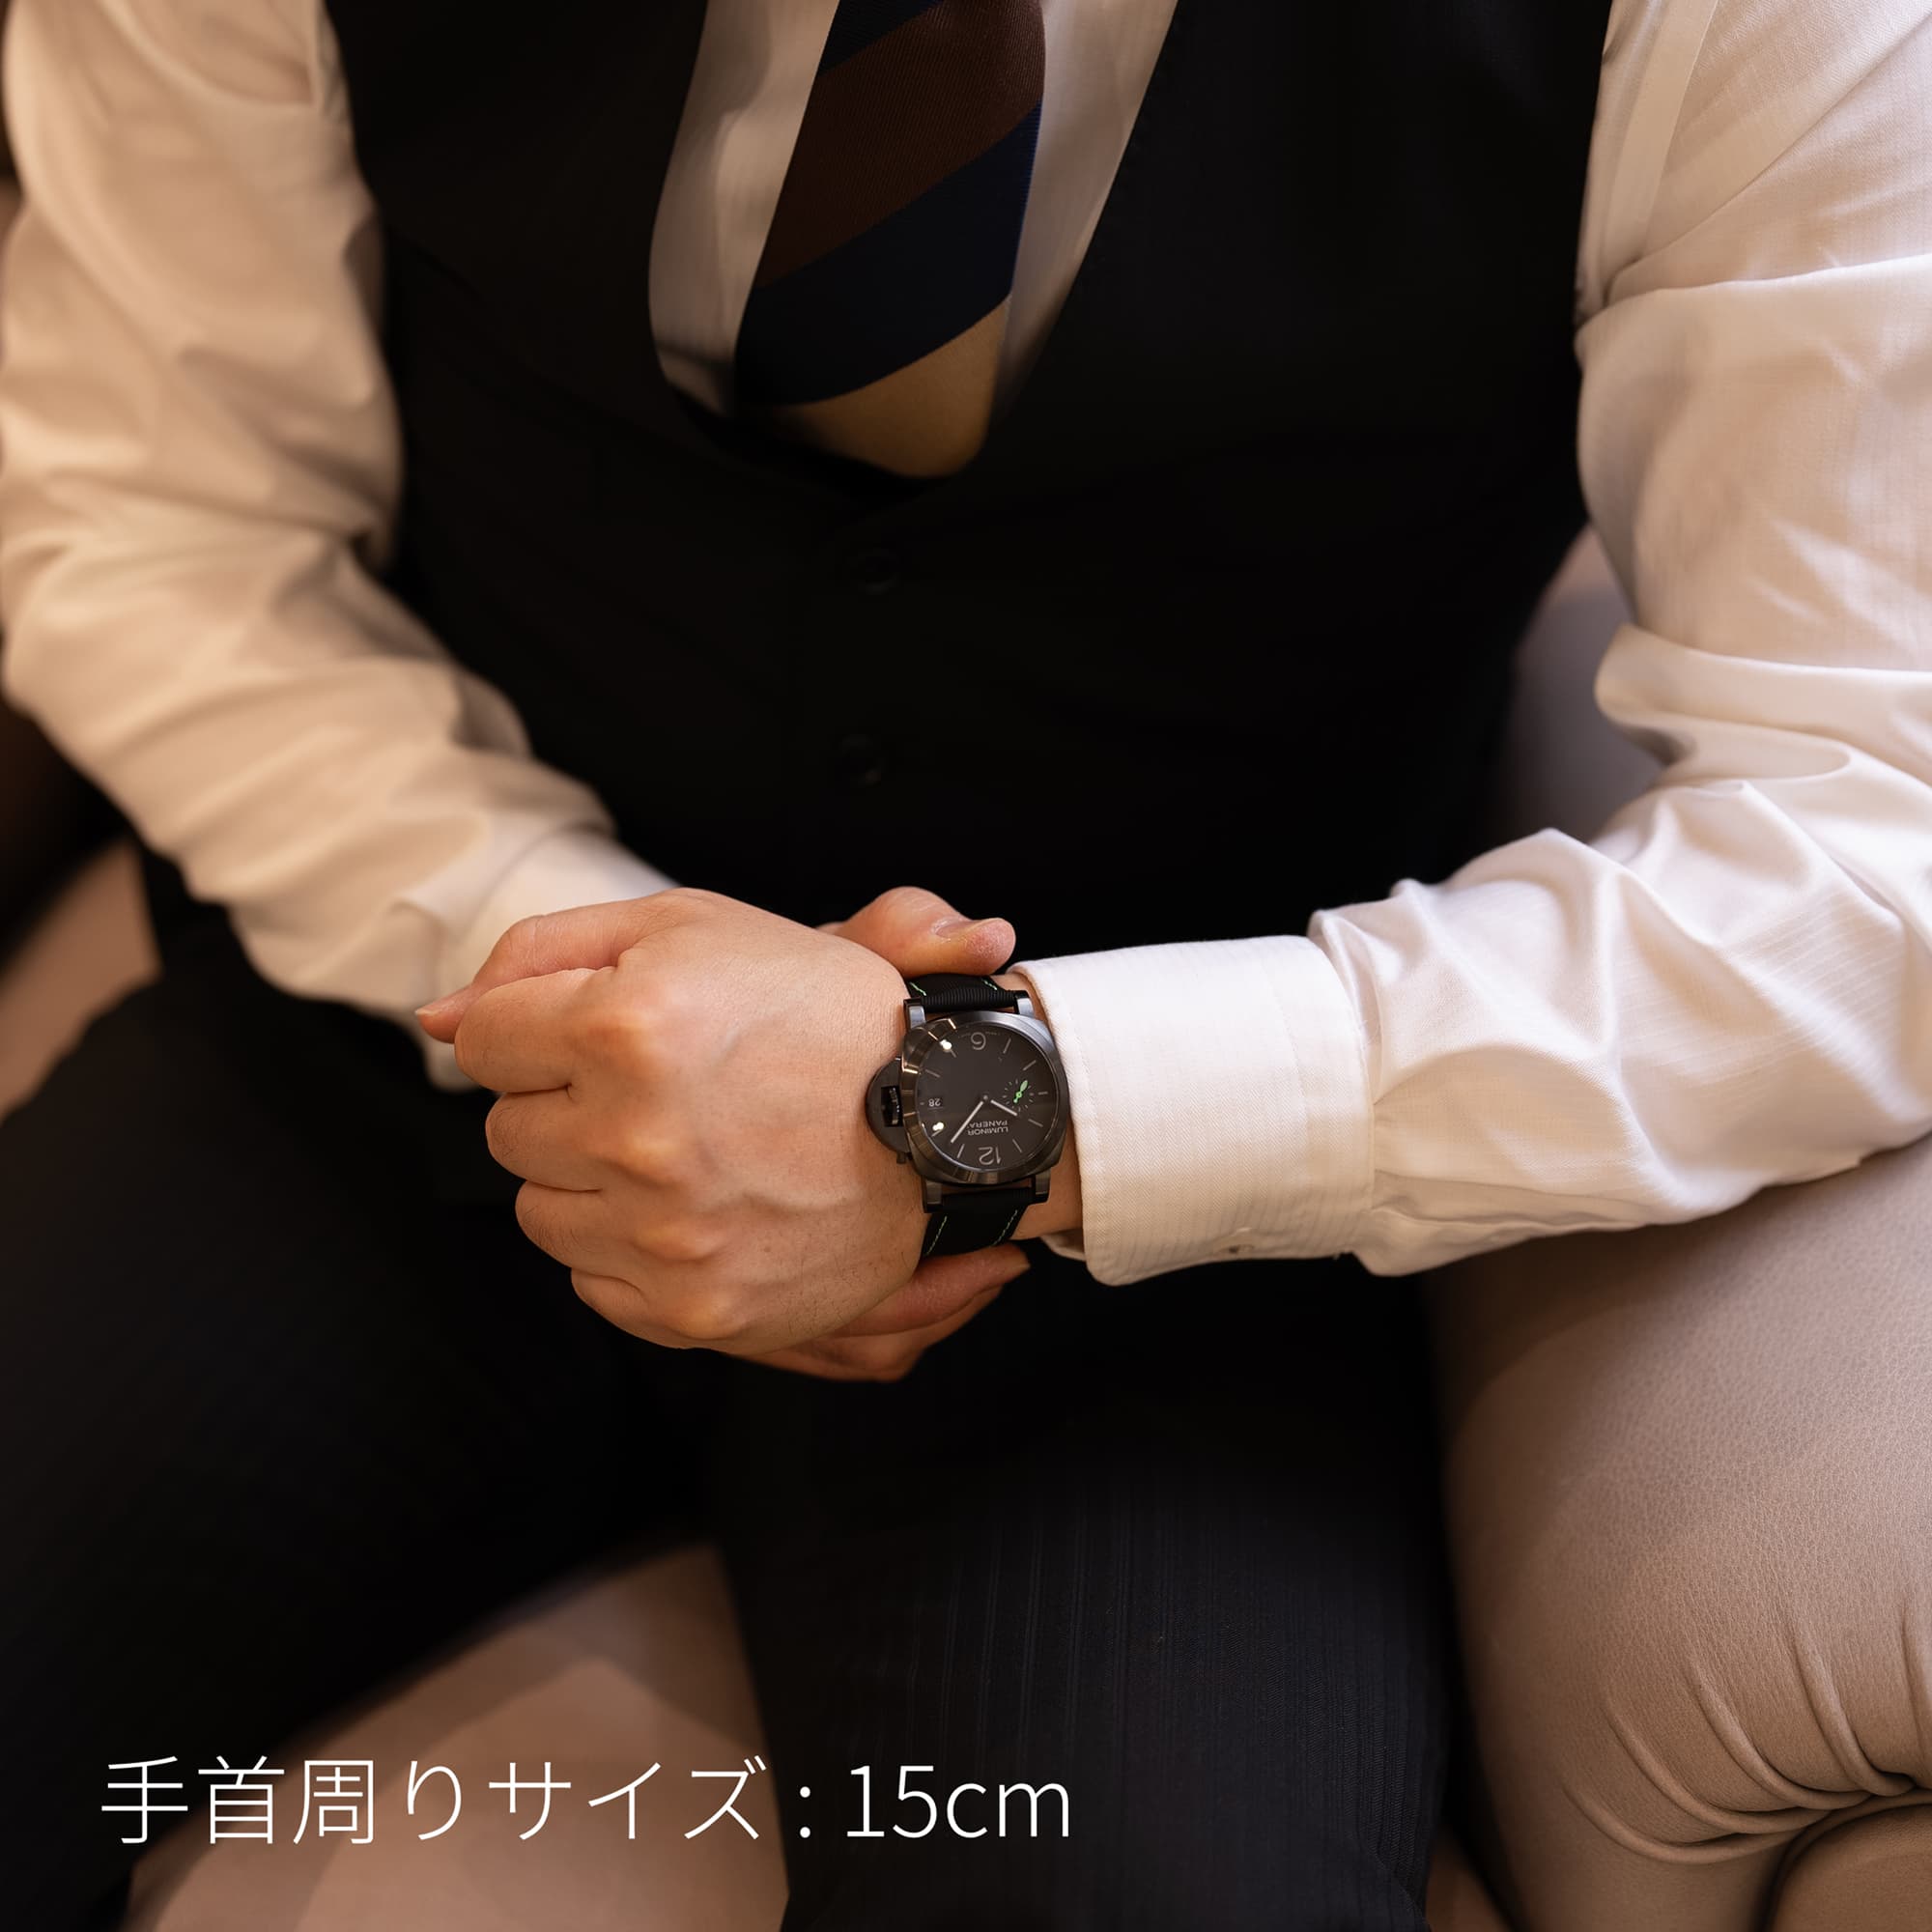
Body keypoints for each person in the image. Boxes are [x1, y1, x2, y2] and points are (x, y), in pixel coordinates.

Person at [0, 0, 1926, 1926]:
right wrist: (574, 979)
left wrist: (995, 1109)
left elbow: (1873, 839)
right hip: (389, 1045)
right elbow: (149, 522)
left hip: (1163, 1216)